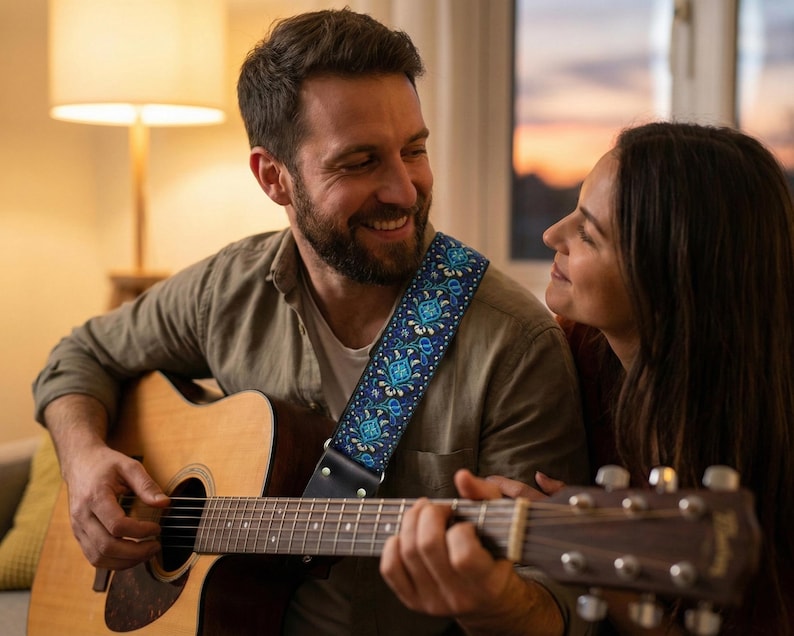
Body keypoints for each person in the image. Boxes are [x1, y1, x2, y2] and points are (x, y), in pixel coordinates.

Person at [32, 9, 592, 636]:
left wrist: (493, 601)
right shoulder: (227, 290)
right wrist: (83, 463)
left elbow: (556, 609)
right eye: (359, 162)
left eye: (414, 150)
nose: (404, 190)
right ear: (274, 177)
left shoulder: (514, 343)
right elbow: (78, 356)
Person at [382, 122, 794, 635]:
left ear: (664, 276)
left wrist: (571, 550)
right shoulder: (577, 348)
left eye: (588, 234)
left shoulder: (769, 441)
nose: (552, 235)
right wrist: (565, 539)